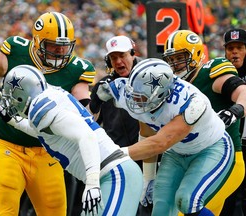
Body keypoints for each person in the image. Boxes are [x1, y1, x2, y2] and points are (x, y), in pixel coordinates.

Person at [0, 11, 96, 215]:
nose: (59, 51)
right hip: (8, 147)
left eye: (64, 46)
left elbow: (85, 108)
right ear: (38, 41)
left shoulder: (77, 69)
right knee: (6, 212)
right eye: (53, 46)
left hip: (47, 151)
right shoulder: (17, 51)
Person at [0, 64, 143, 216]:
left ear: (22, 95)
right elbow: (43, 132)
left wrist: (92, 184)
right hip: (107, 175)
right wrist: (13, 121)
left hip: (114, 175)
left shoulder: (42, 109)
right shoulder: (48, 99)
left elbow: (87, 136)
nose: (12, 103)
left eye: (13, 98)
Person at [97, 58, 235, 215]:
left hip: (210, 149)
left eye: (140, 96)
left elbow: (159, 143)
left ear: (160, 93)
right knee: (161, 210)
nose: (134, 100)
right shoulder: (138, 95)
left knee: (188, 201)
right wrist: (148, 178)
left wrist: (113, 156)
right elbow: (147, 134)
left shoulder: (190, 103)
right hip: (176, 152)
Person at [162, 29, 246, 216]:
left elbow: (243, 92)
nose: (175, 64)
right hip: (196, 164)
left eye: (179, 58)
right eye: (172, 60)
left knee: (185, 209)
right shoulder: (175, 88)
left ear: (196, 54)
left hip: (227, 161)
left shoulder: (209, 73)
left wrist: (236, 110)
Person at [90, 35, 151, 215]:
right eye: (113, 57)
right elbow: (90, 119)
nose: (118, 61)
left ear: (132, 54)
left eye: (122, 56)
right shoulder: (104, 85)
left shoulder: (149, 77)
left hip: (149, 156)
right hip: (118, 158)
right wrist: (96, 99)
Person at [223, 28, 246, 215]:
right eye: (230, 48)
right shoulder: (219, 72)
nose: (234, 52)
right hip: (228, 144)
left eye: (239, 47)